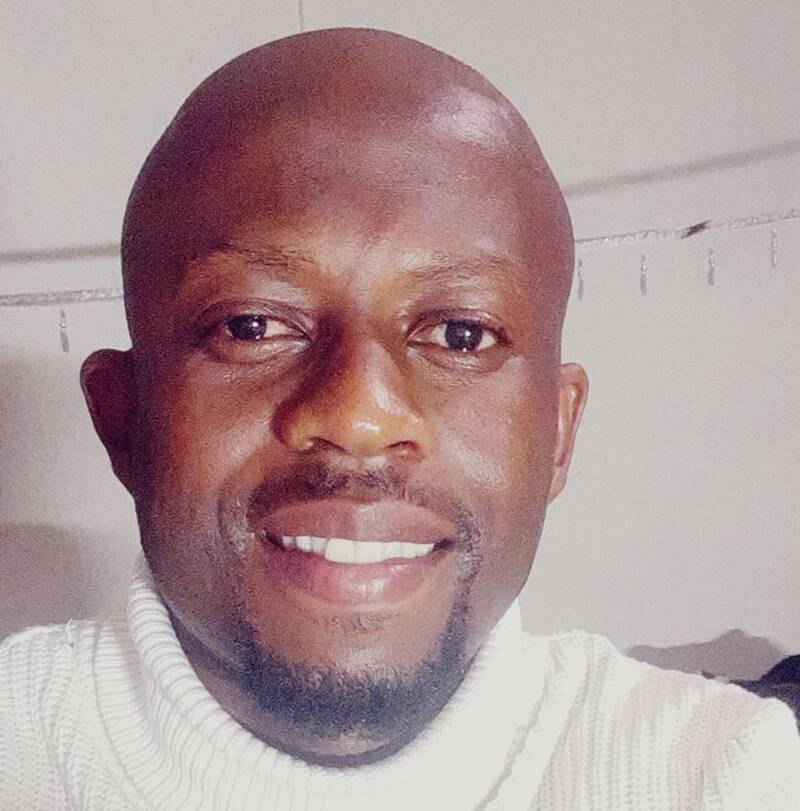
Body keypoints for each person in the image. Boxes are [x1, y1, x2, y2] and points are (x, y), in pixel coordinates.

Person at [1, 27, 798, 811]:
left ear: (557, 434)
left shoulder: (722, 775)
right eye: (251, 325)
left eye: (461, 335)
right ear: (124, 420)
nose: (360, 416)